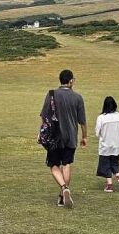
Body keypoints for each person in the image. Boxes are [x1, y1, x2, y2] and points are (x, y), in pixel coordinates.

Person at [40, 69, 87, 208]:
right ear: (71, 81)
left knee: (54, 165)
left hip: (54, 137)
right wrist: (84, 137)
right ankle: (62, 196)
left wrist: (41, 132)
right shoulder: (77, 97)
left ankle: (64, 188)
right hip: (71, 136)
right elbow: (82, 121)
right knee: (66, 164)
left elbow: (44, 116)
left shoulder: (51, 95)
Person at [94, 96, 119, 193]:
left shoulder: (101, 118)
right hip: (116, 145)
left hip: (105, 145)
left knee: (106, 165)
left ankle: (109, 185)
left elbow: (97, 132)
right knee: (115, 162)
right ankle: (118, 176)